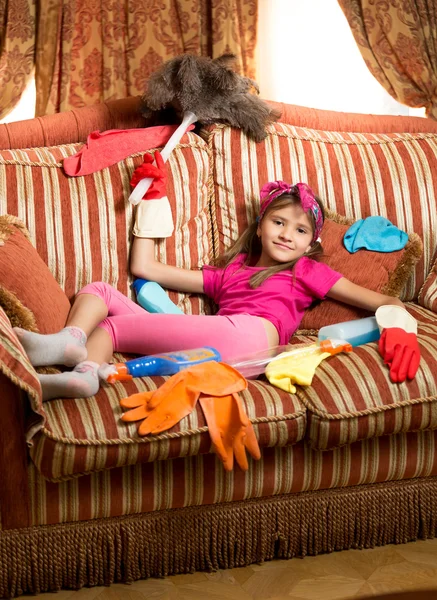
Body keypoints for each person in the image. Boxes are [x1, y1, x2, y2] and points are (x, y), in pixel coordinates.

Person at [13, 175, 418, 401]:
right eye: (278, 223)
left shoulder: (307, 271)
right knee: (101, 293)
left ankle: (72, 346)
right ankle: (85, 372)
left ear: (310, 244)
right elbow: (145, 267)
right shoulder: (230, 272)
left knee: (114, 328)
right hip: (220, 348)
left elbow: (384, 300)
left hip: (252, 338)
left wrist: (399, 325)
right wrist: (152, 198)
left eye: (299, 230)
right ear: (259, 226)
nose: (286, 235)